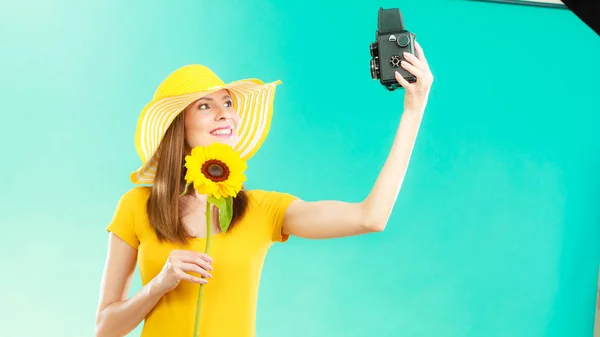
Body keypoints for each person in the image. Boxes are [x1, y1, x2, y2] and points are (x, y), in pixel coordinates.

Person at [95, 41, 434, 337]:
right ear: (176, 128)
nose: (224, 115)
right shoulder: (137, 206)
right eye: (204, 105)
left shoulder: (264, 210)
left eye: (228, 104)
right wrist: (159, 284)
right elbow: (105, 329)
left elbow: (370, 217)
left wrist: (413, 110)